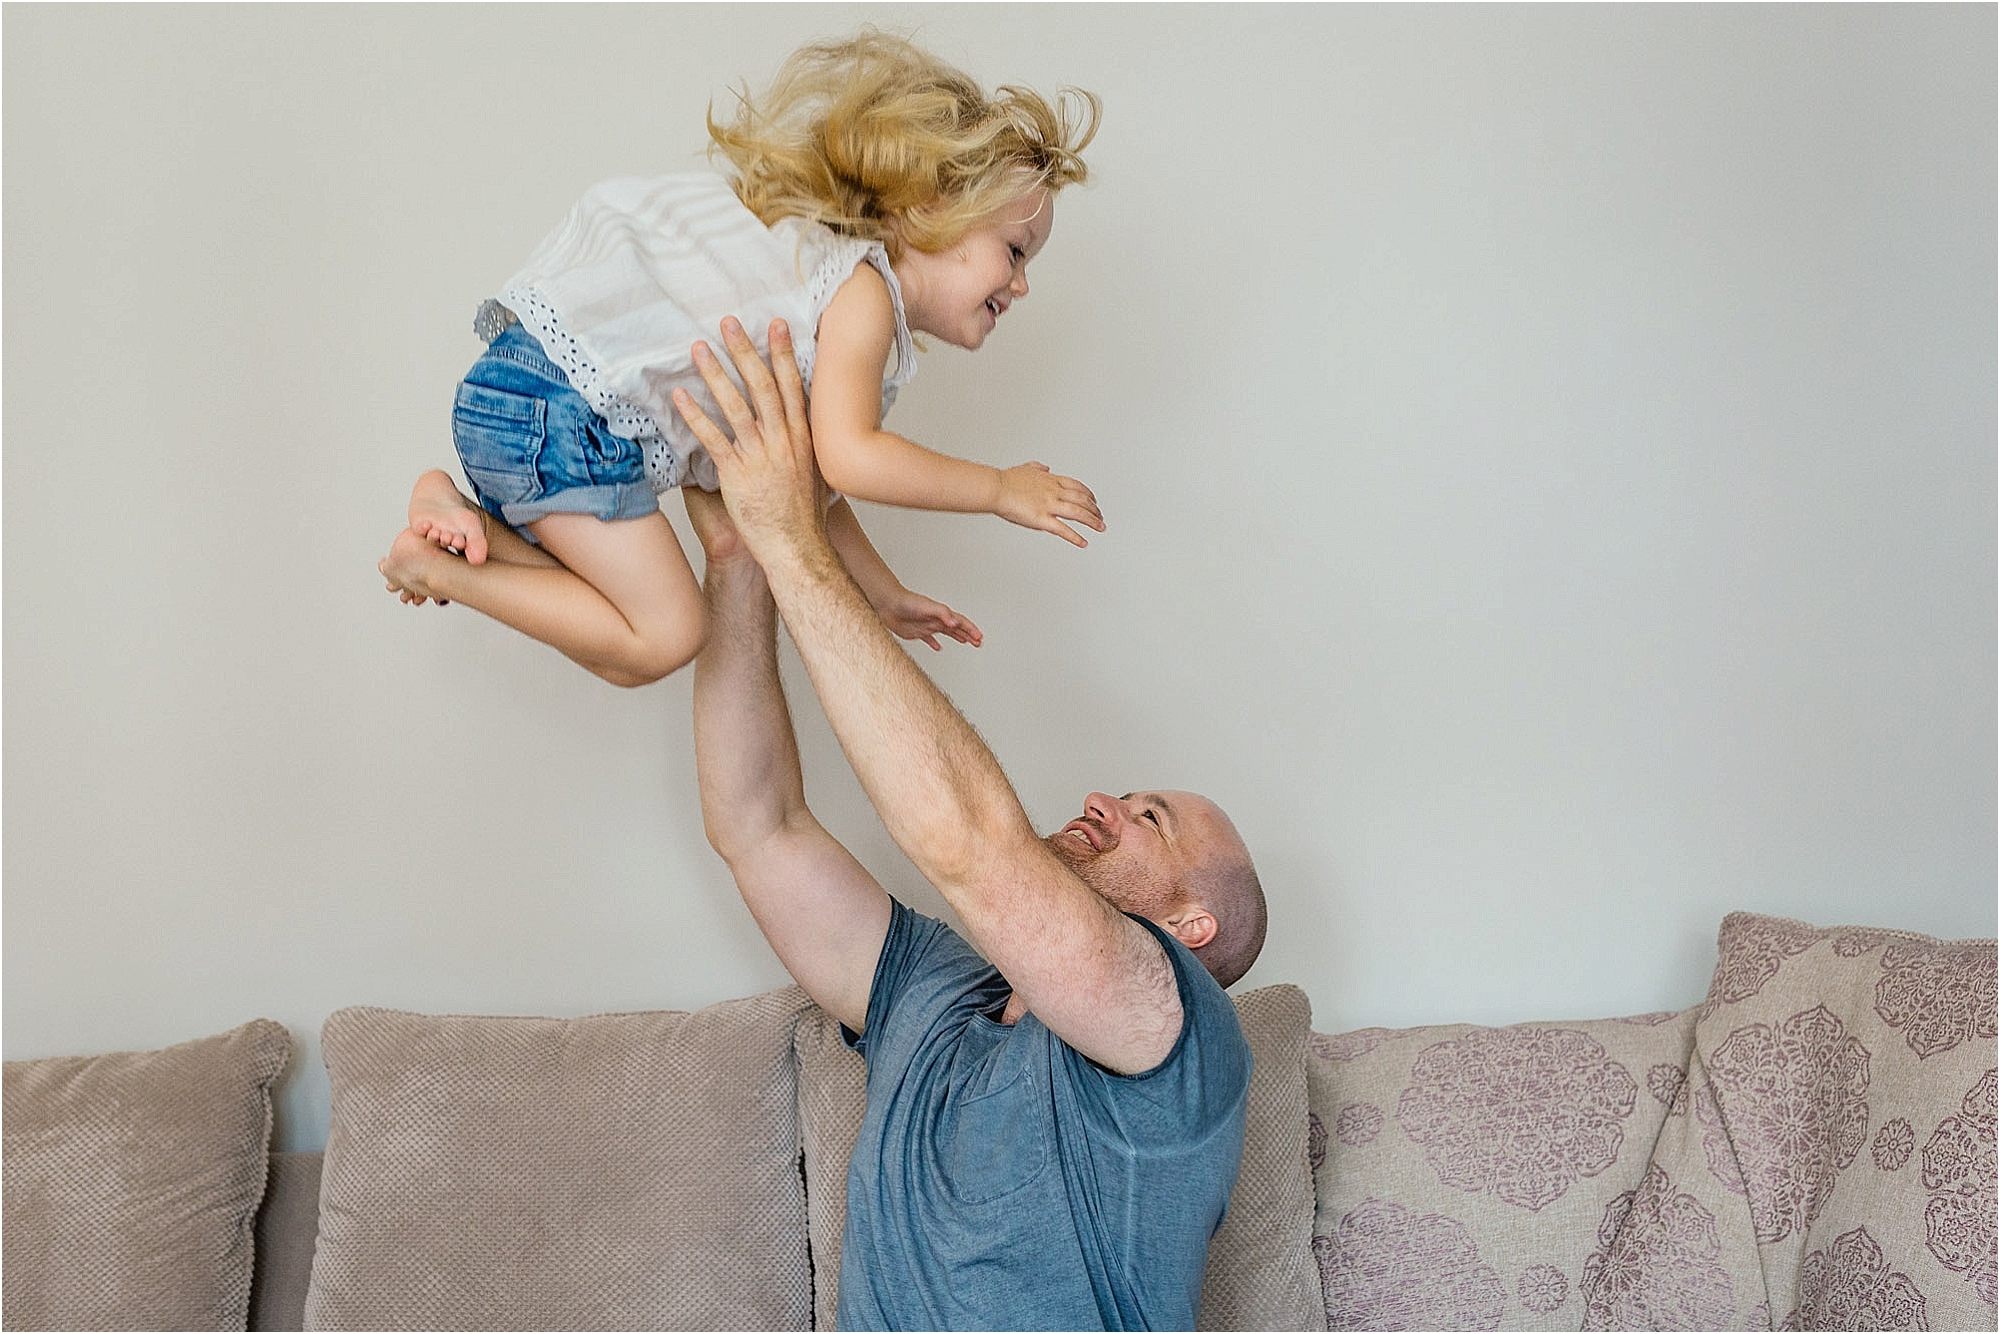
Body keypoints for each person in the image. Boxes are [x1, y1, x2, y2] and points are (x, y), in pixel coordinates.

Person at [677, 315, 1267, 1330]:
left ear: (1189, 924)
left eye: (1147, 818)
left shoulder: (1180, 1041)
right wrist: (738, 561)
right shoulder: (933, 992)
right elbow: (758, 825)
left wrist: (792, 535)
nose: (1102, 803)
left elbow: (974, 848)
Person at [376, 32, 1105, 687]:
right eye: (1013, 251)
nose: (1021, 284)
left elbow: (817, 482)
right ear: (927, 210)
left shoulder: (822, 290)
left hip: (527, 398)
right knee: (667, 634)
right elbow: (852, 458)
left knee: (629, 652)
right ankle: (435, 563)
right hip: (567, 413)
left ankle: (452, 514)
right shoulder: (861, 291)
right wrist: (998, 489)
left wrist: (882, 593)